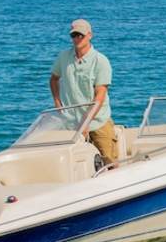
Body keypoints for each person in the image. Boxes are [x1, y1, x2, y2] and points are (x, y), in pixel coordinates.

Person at [49, 18, 116, 165]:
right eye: (74, 35)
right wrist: (57, 103)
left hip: (98, 123)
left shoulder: (100, 61)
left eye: (81, 35)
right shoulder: (63, 57)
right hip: (71, 124)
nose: (77, 38)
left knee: (109, 163)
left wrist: (86, 123)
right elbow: (54, 79)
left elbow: (100, 96)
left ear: (90, 35)